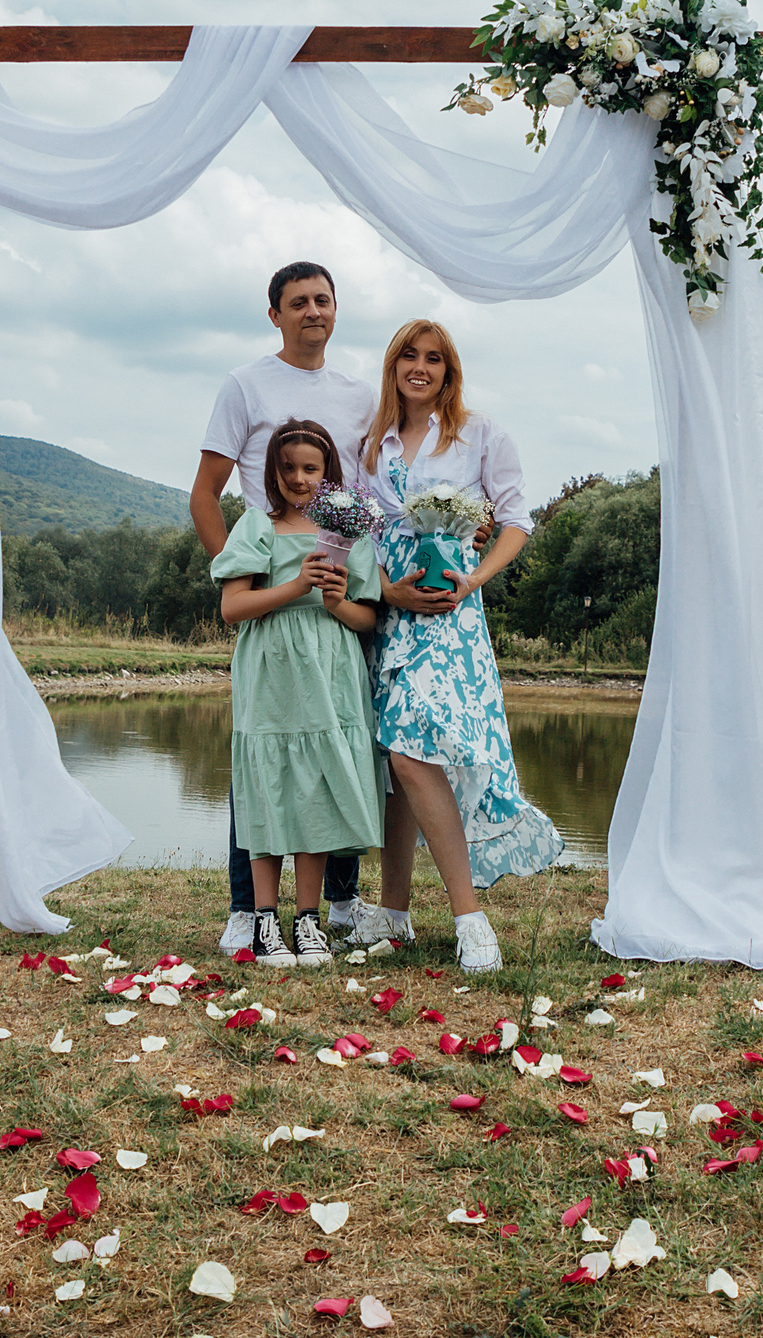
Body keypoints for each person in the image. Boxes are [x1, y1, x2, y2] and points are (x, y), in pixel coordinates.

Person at [349, 319, 564, 972]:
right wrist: (386, 590)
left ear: (449, 369)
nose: (420, 367)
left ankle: (471, 921)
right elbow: (355, 525)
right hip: (393, 610)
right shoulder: (372, 444)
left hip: (449, 616)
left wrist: (472, 577)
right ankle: (392, 913)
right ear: (393, 365)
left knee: (416, 753)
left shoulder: (480, 435)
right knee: (399, 759)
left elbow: (517, 521)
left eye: (433, 358)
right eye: (409, 356)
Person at [192, 261, 376, 954]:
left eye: (323, 299)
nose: (312, 311)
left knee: (333, 742)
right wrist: (250, 567)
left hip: (332, 575)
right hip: (273, 593)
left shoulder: (358, 395)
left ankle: (335, 902)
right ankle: (250, 908)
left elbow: (367, 495)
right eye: (297, 301)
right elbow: (204, 492)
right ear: (275, 313)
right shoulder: (246, 384)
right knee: (266, 755)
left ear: (336, 308)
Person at [209, 420, 384, 967]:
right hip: (272, 675)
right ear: (273, 473)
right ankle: (265, 920)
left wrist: (335, 601)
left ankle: (307, 920)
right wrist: (294, 586)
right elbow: (232, 608)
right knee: (269, 788)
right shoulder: (258, 525)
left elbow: (367, 618)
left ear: (329, 473)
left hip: (331, 675)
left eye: (311, 468)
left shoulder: (349, 533)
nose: (300, 479)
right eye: (289, 469)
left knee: (315, 792)